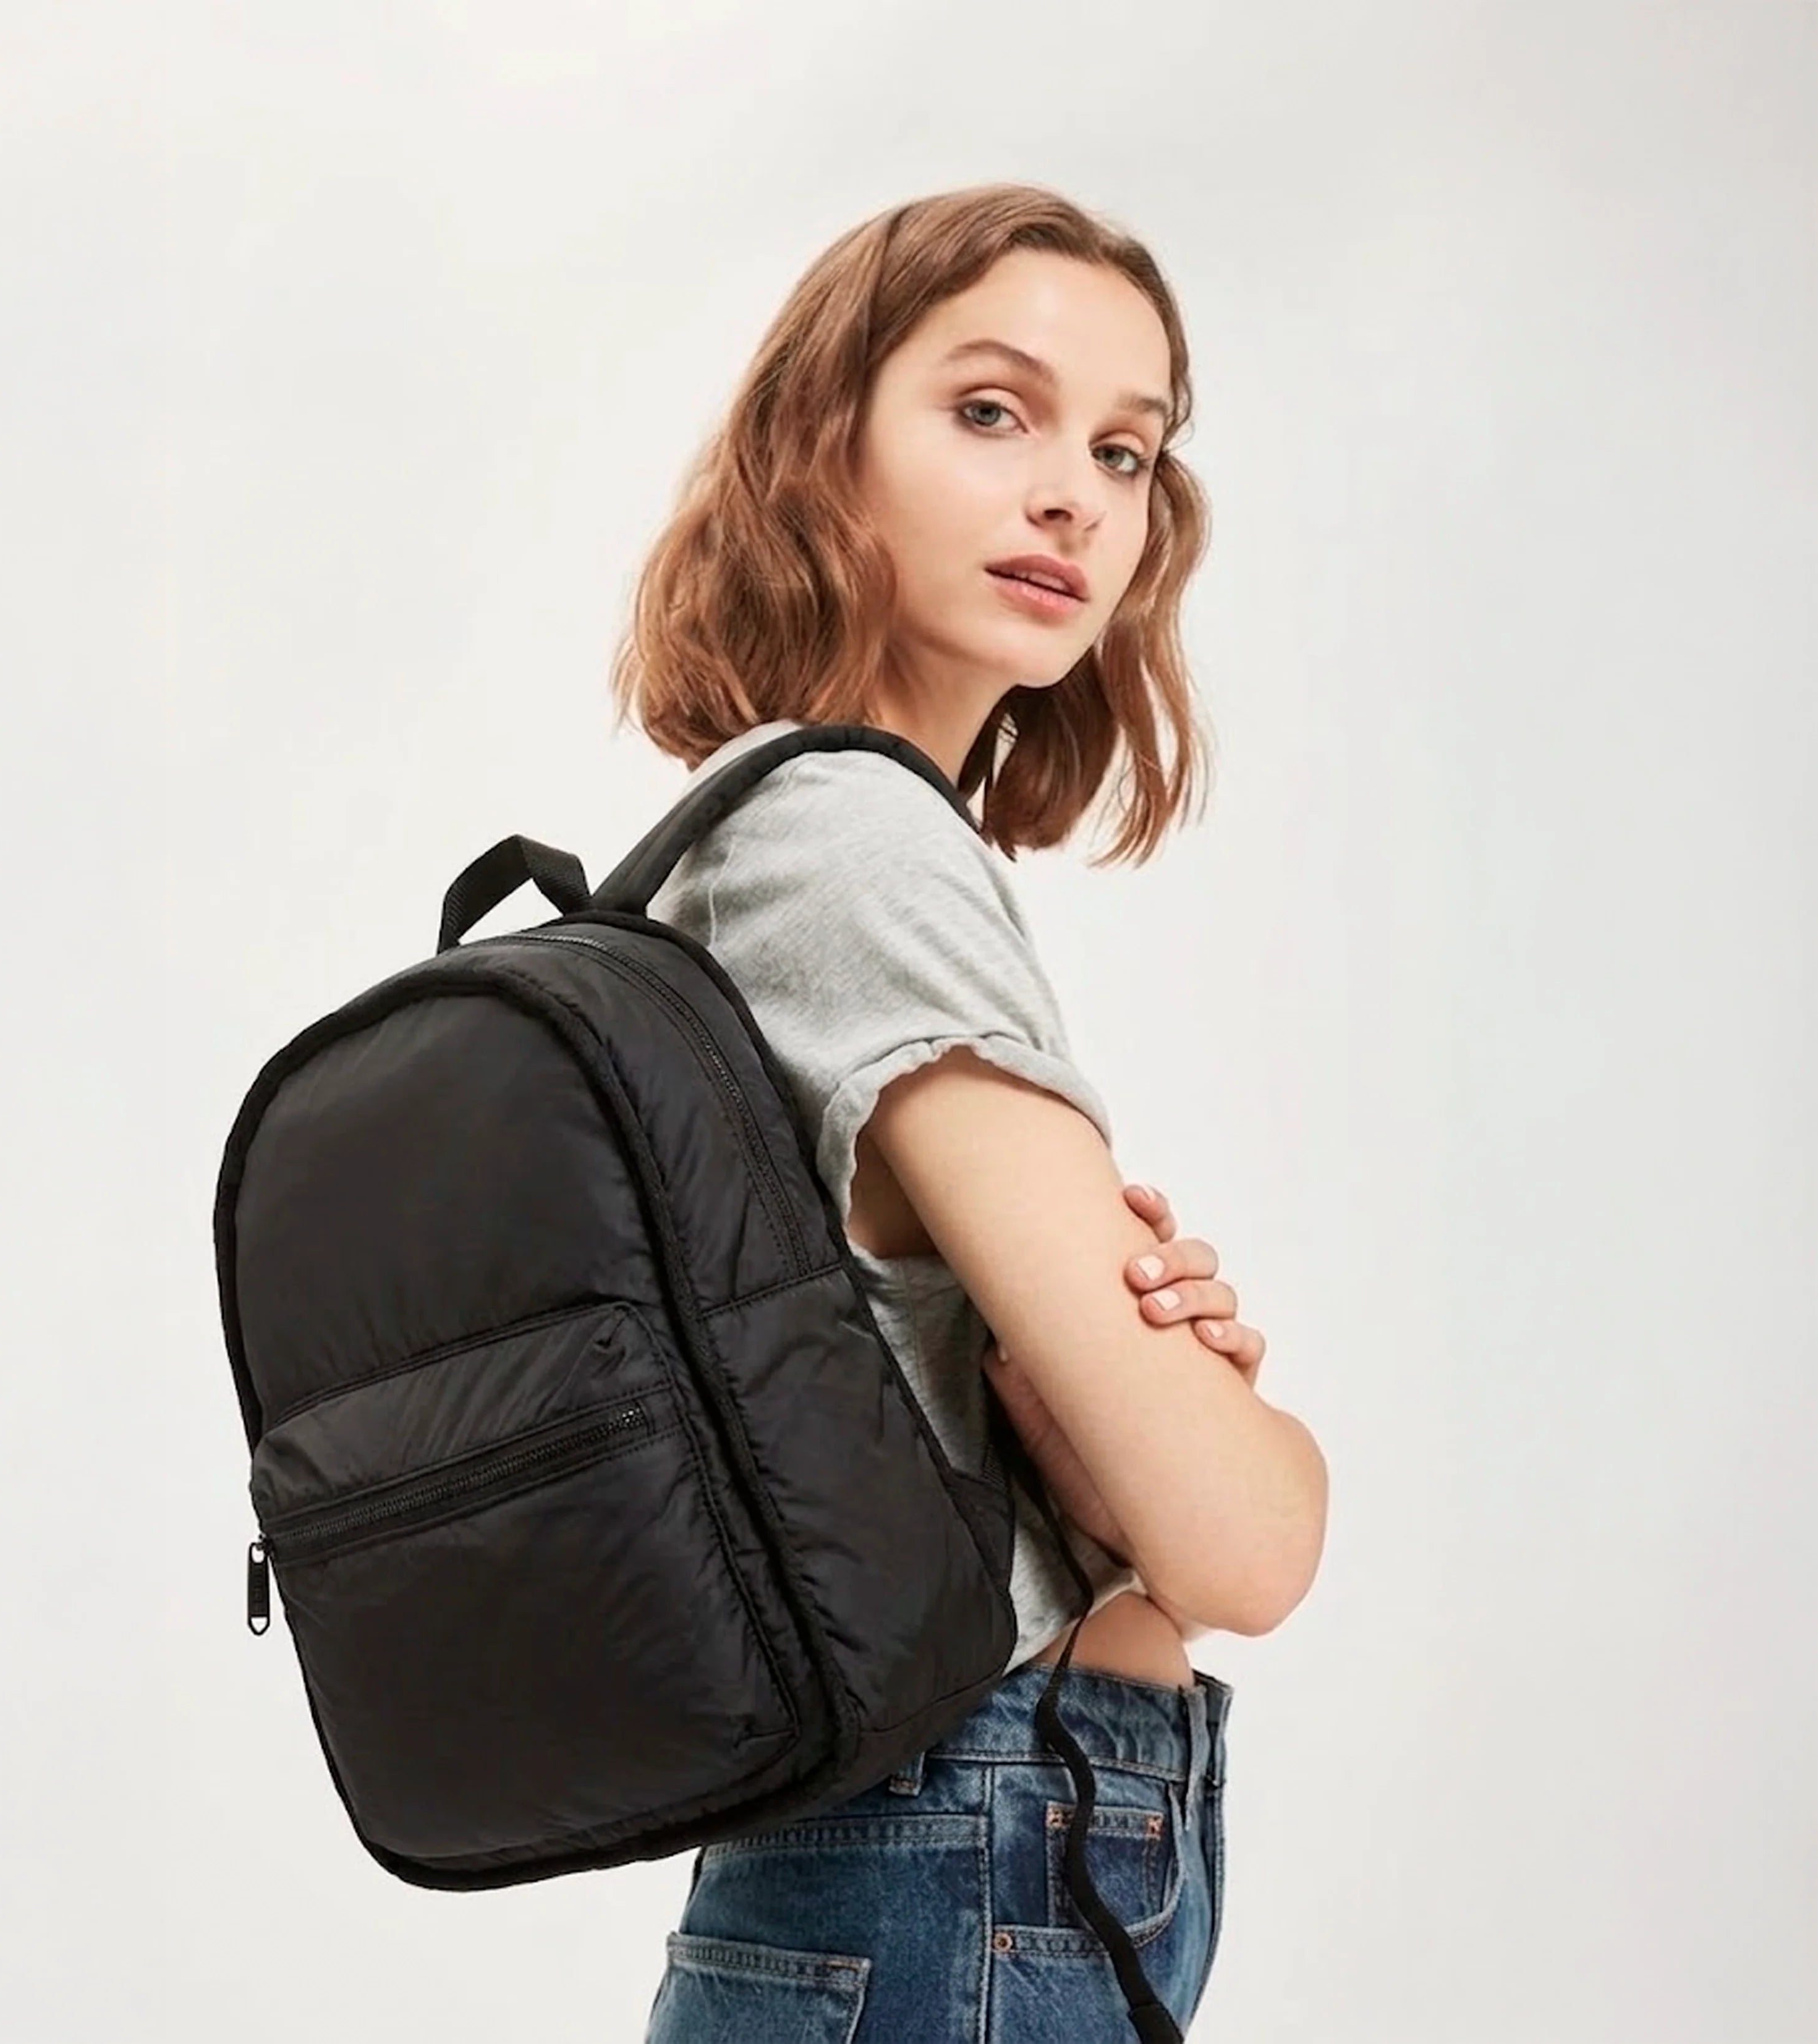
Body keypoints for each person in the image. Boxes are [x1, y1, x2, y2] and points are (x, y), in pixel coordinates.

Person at [618, 181, 1329, 2040]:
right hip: (958, 1856)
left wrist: (1107, 1460)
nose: (1073, 496)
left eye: (1124, 450)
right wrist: (1199, 1444)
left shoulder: (775, 831)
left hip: (914, 1860)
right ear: (820, 444)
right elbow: (1247, 1544)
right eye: (992, 410)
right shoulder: (851, 843)